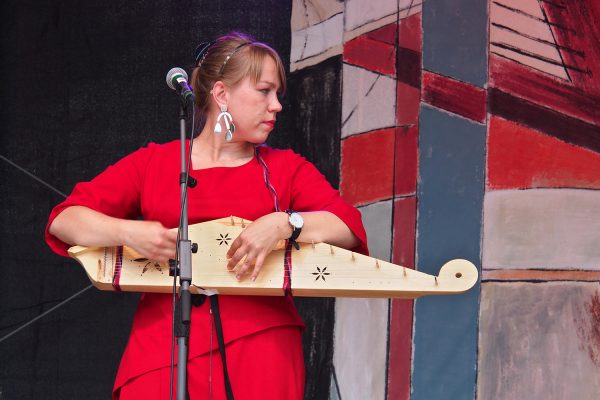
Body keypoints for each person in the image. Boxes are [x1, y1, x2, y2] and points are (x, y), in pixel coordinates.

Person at [46, 31, 368, 400]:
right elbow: (65, 220)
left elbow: (347, 226)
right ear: (221, 94)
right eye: (264, 91)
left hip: (262, 345)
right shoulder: (156, 162)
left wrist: (286, 222)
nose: (276, 105)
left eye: (277, 94)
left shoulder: (286, 169)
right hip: (164, 344)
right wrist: (129, 233)